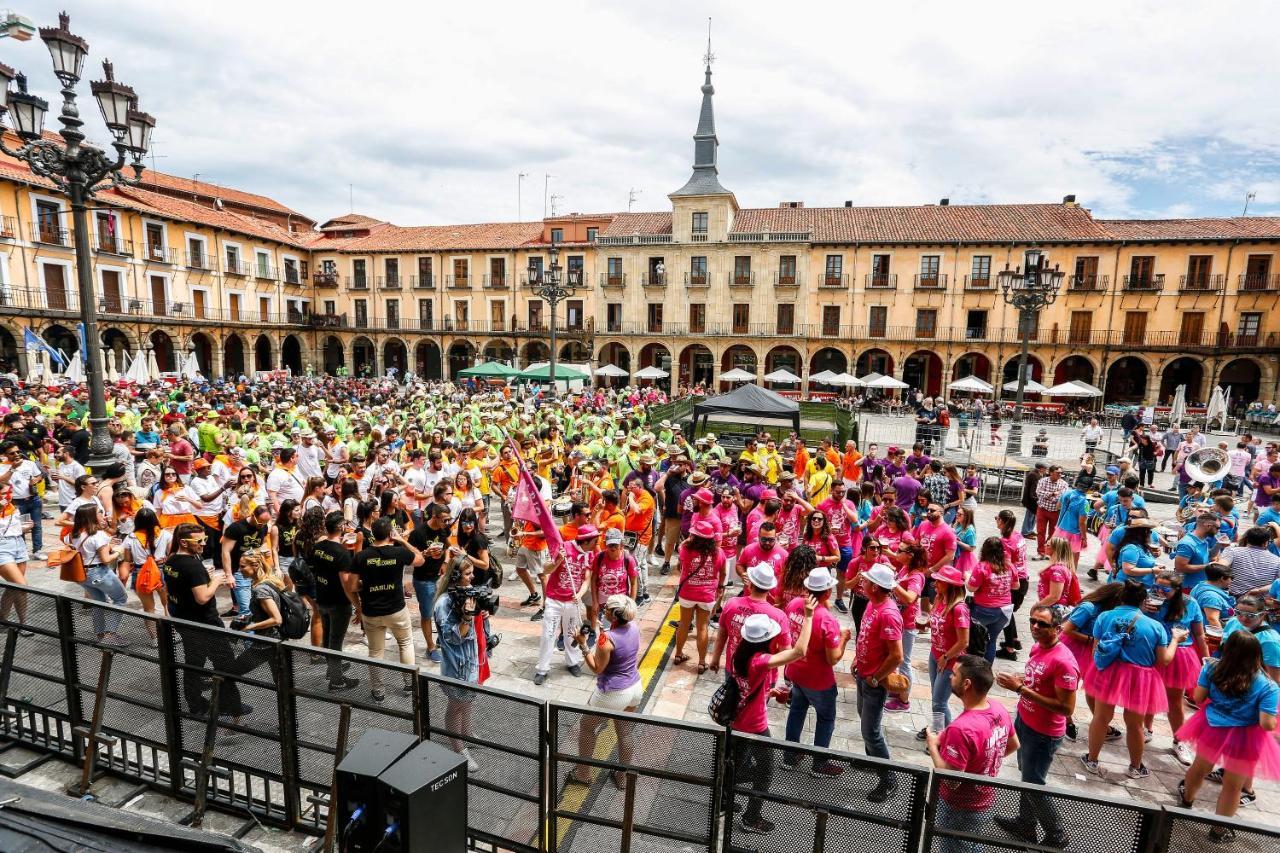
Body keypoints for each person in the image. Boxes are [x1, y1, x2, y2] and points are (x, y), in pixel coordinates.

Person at [1176, 630, 1280, 842]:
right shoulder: (1269, 686)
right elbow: (1266, 724)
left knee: (1199, 768)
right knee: (1233, 786)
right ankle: (1219, 830)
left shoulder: (1212, 668)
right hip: (1246, 738)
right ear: (1257, 655)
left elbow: (1198, 697)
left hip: (1212, 727)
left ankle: (1186, 802)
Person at [993, 605, 1080, 848]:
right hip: (1025, 721)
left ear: (1057, 629)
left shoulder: (1064, 663)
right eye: (1032, 621)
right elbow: (1038, 679)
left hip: (1043, 734)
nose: (1035, 627)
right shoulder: (1037, 647)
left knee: (1034, 783)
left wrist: (1020, 689)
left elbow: (1066, 708)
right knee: (1027, 776)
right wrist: (1022, 680)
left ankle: (1057, 833)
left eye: (1042, 624)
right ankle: (1025, 824)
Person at [1082, 580, 1187, 779]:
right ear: (1144, 601)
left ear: (1121, 598)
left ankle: (1092, 760)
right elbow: (1164, 660)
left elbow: (1097, 649)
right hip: (1140, 678)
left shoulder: (1105, 616)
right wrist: (1175, 639)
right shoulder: (1156, 627)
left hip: (1108, 671)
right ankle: (1135, 767)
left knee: (1101, 717)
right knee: (1135, 724)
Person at [728, 607, 814, 835]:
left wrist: (767, 692)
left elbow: (746, 685)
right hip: (754, 726)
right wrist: (809, 617)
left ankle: (725, 796)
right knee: (765, 772)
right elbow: (799, 651)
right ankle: (751, 818)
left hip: (736, 720)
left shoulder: (740, 653)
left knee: (736, 764)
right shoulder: (759, 660)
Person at [925, 655, 1017, 853]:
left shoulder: (961, 729)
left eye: (954, 674)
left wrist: (933, 746)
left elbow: (951, 780)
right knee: (971, 845)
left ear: (966, 684)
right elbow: (1013, 744)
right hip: (984, 800)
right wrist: (983, 763)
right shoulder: (998, 709)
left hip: (959, 807)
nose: (950, 676)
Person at [163, 522, 252, 718]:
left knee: (194, 663)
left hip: (185, 621)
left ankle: (196, 704)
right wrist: (217, 581)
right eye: (199, 541)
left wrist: (206, 577)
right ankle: (230, 705)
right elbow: (202, 597)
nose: (204, 544)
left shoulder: (171, 561)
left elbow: (176, 588)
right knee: (225, 664)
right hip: (206, 623)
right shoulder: (193, 565)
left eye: (205, 539)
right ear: (184, 542)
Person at [567, 594, 642, 789]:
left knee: (586, 727)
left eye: (606, 607)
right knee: (624, 732)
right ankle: (622, 776)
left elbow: (597, 668)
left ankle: (583, 774)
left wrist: (583, 644)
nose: (602, 608)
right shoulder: (633, 627)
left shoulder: (605, 639)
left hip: (612, 693)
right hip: (634, 687)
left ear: (613, 615)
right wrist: (602, 629)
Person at [781, 567, 850, 774]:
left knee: (796, 711)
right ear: (828, 593)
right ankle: (819, 764)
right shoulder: (827, 620)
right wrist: (844, 640)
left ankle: (790, 757)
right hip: (819, 680)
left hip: (795, 672)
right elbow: (832, 658)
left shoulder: (793, 605)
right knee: (826, 718)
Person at [352, 516, 423, 702]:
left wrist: (366, 585)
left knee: (376, 652)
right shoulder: (399, 552)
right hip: (396, 609)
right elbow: (420, 559)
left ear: (372, 534)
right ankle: (410, 683)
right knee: (405, 643)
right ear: (390, 534)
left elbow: (353, 586)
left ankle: (378, 690)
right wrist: (401, 540)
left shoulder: (361, 556)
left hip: (371, 610)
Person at [855, 563, 904, 802]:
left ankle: (888, 780)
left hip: (873, 681)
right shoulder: (872, 604)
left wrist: (876, 677)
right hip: (863, 675)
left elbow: (897, 655)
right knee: (863, 717)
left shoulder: (888, 613)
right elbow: (865, 634)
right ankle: (871, 759)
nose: (861, 582)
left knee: (871, 731)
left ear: (875, 586)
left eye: (866, 580)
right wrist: (857, 657)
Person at [433, 556, 486, 773]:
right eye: (467, 573)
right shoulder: (444, 603)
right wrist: (466, 617)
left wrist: (480, 614)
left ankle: (466, 732)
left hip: (470, 662)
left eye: (472, 572)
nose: (472, 577)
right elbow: (452, 638)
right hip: (456, 667)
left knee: (468, 701)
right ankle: (458, 747)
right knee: (455, 706)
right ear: (455, 576)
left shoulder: (467, 594)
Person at [534, 526, 596, 685]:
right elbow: (545, 569)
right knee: (549, 634)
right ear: (586, 541)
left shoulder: (590, 555)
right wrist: (558, 560)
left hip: (572, 602)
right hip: (554, 600)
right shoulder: (563, 547)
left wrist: (580, 594)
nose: (597, 543)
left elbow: (587, 579)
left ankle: (572, 662)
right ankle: (542, 669)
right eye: (594, 540)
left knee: (571, 633)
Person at [309, 510, 360, 690]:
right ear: (342, 527)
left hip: (322, 598)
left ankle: (332, 670)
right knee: (336, 641)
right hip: (338, 603)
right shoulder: (342, 554)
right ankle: (337, 681)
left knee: (328, 638)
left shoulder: (318, 547)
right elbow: (347, 586)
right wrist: (358, 607)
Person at [69, 503, 128, 646]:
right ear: (92, 516)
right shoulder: (98, 535)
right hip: (99, 572)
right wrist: (118, 551)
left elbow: (87, 551)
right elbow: (106, 559)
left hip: (82, 573)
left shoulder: (74, 534)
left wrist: (108, 546)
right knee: (121, 598)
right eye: (99, 512)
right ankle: (110, 633)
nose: (102, 514)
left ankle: (100, 633)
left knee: (98, 602)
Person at [923, 565, 971, 737]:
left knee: (939, 702)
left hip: (950, 660)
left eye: (940, 581)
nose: (935, 583)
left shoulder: (959, 609)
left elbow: (963, 641)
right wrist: (925, 624)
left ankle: (945, 736)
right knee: (937, 699)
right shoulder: (939, 598)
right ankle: (939, 730)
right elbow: (935, 619)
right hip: (935, 655)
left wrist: (945, 657)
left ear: (950, 585)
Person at [673, 518, 725, 673]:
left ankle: (678, 654)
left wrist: (689, 539)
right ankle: (702, 662)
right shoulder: (718, 552)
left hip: (688, 592)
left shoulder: (685, 549)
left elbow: (679, 567)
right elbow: (722, 573)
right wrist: (720, 587)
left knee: (683, 624)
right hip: (707, 594)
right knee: (702, 627)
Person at [967, 537, 1013, 662]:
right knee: (992, 641)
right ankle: (986, 669)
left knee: (975, 640)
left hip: (984, 610)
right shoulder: (1009, 566)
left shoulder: (982, 567)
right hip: (1004, 611)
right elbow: (1016, 585)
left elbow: (971, 588)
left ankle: (973, 669)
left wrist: (967, 578)